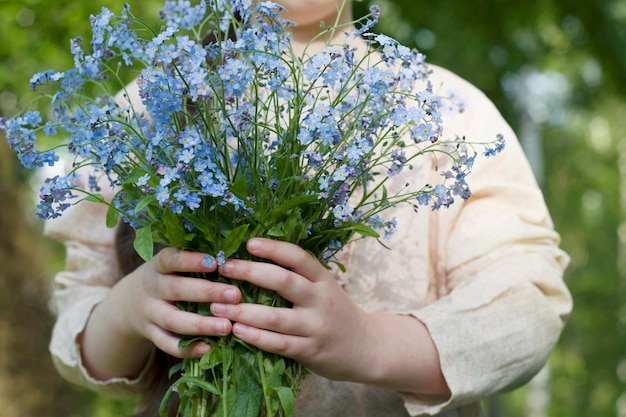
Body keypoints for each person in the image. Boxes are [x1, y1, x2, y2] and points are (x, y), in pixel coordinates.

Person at [45, 1, 573, 416]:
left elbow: (527, 307)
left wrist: (366, 344)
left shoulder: (445, 111)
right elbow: (79, 337)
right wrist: (133, 306)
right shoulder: (147, 104)